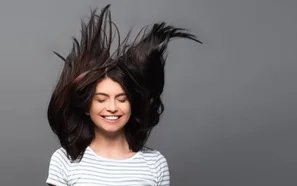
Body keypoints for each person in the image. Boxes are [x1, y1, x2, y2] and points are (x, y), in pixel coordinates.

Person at [45, 4, 201, 186]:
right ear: (87, 107)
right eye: (101, 99)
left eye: (122, 99)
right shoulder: (65, 160)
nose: (112, 107)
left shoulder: (155, 163)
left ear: (132, 105)